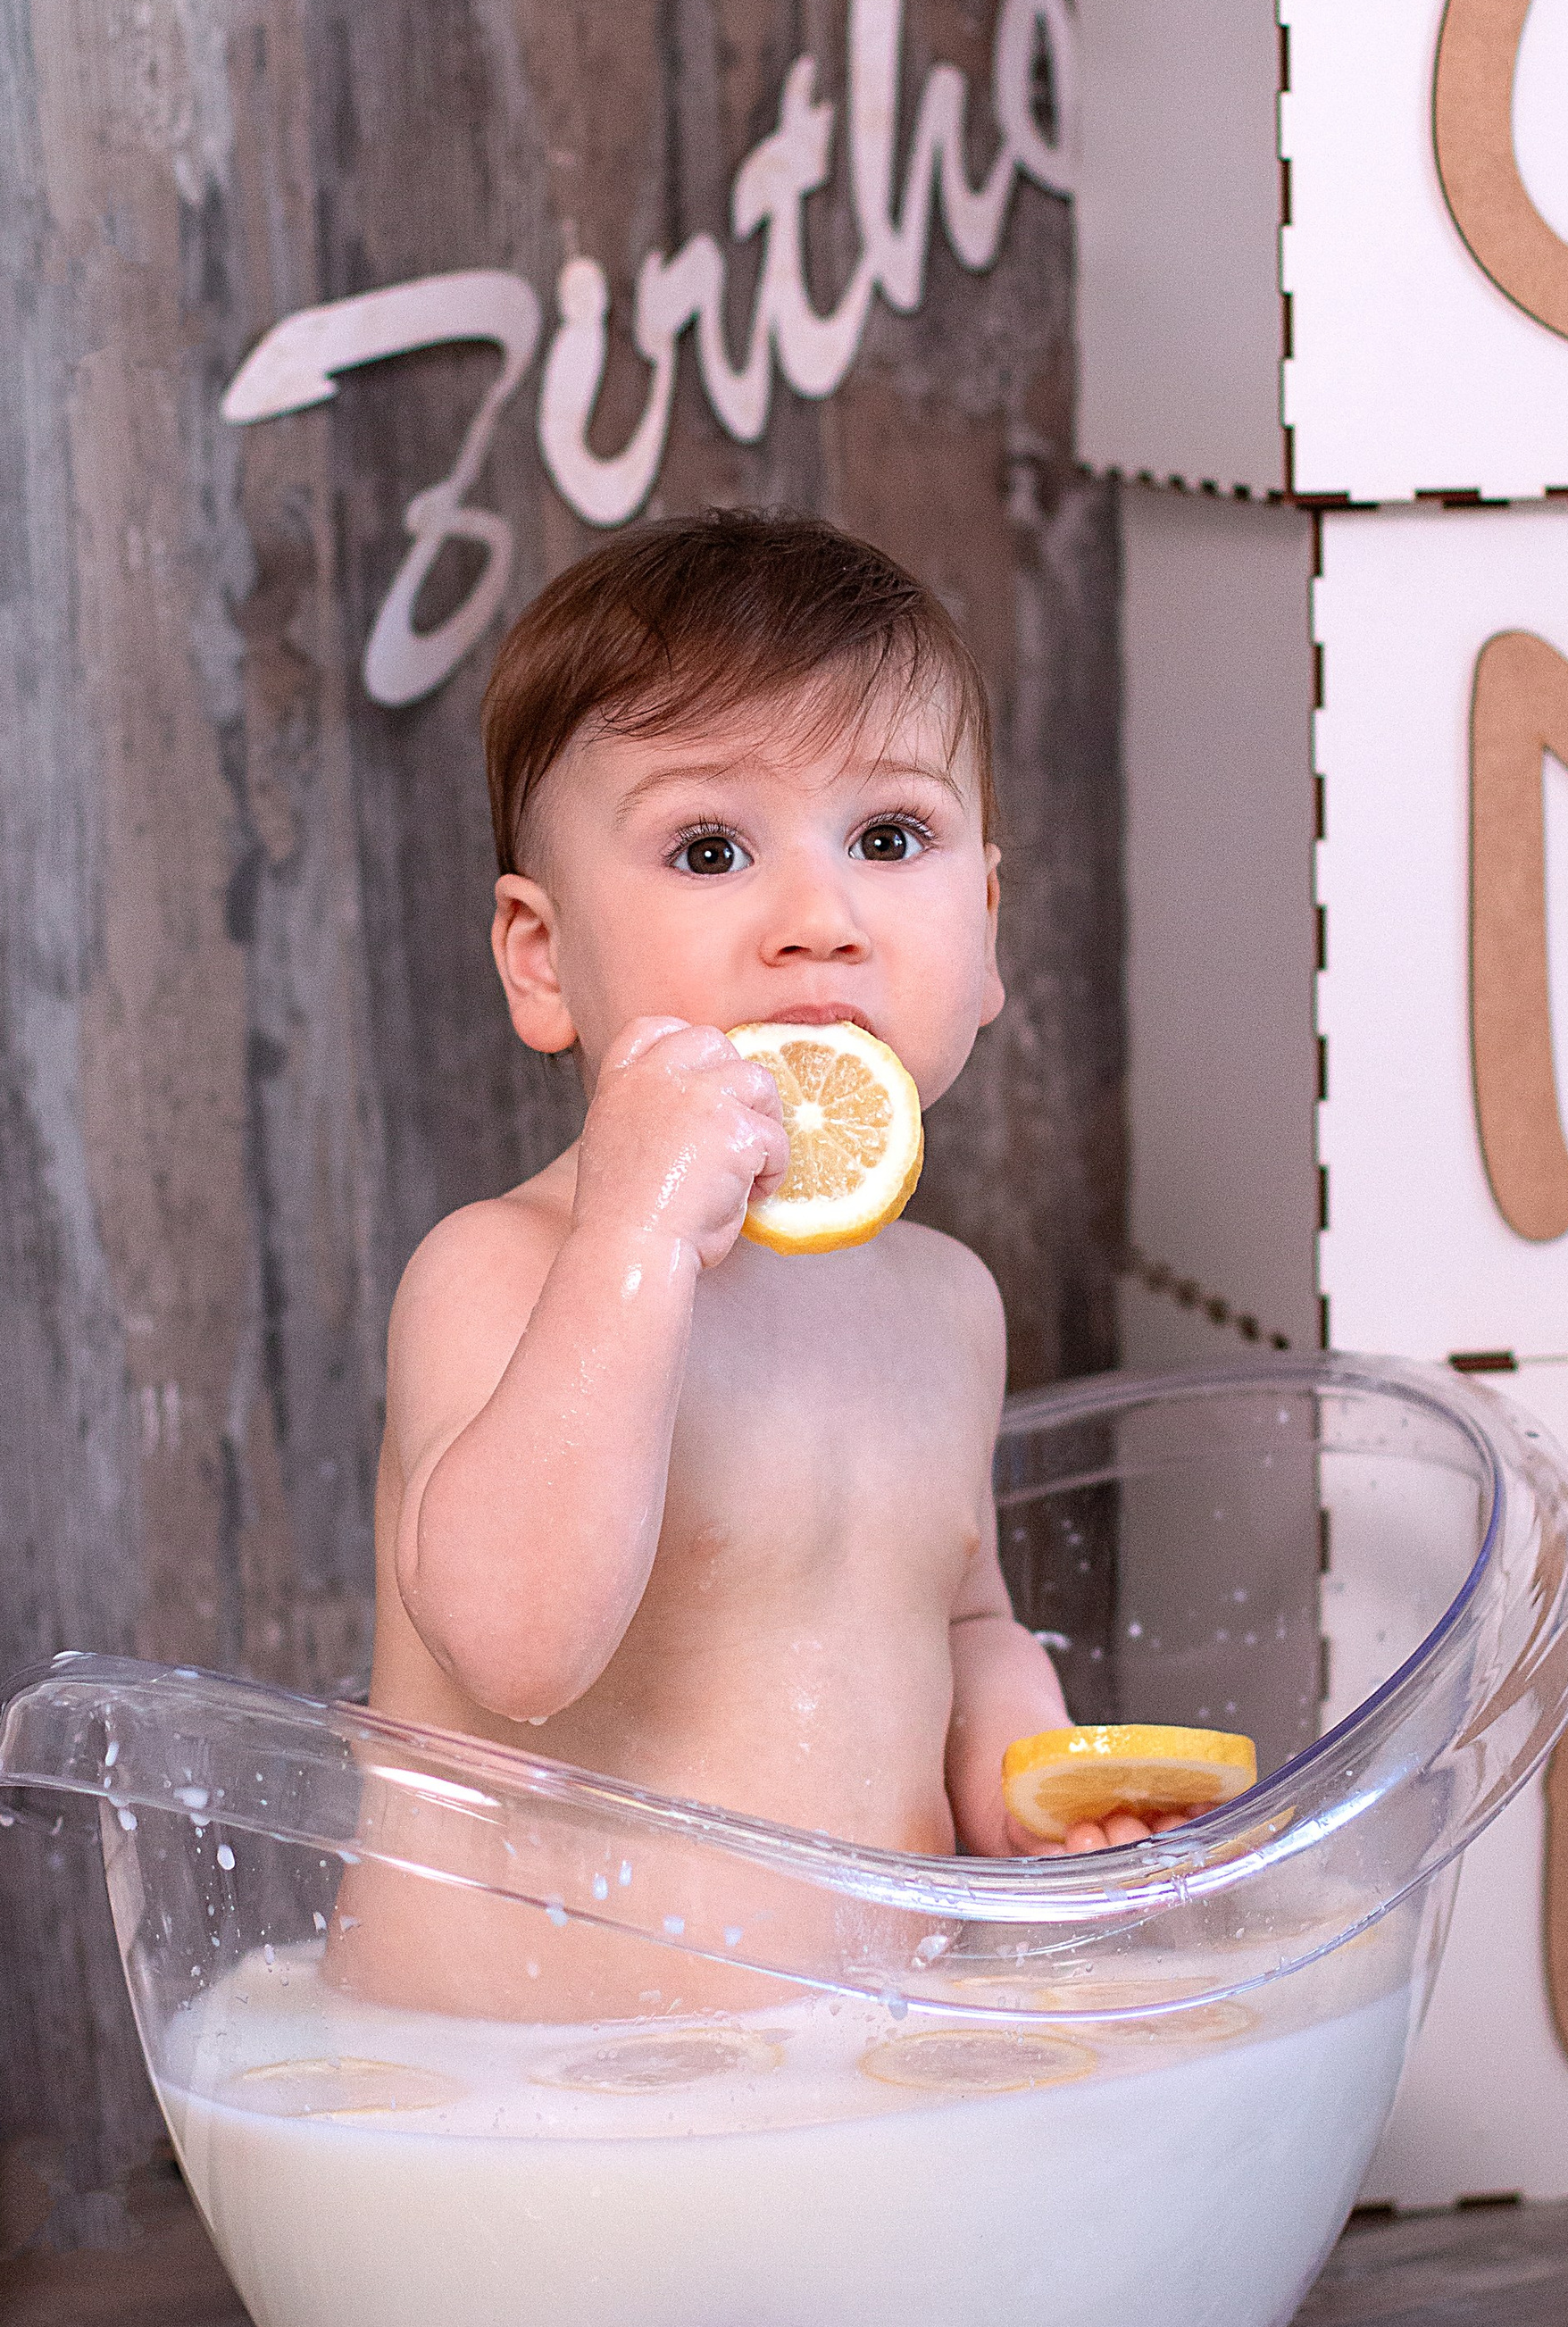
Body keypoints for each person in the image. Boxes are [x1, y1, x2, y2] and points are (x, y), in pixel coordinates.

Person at [360, 512, 1152, 1932]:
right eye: (712, 848)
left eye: (890, 836)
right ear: (543, 962)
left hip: (843, 2075)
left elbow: (954, 1627)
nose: (819, 916)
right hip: (523, 2102)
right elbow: (514, 1651)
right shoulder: (504, 1275)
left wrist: (1038, 1791)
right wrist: (636, 1243)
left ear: (985, 928)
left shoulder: (946, 1305)